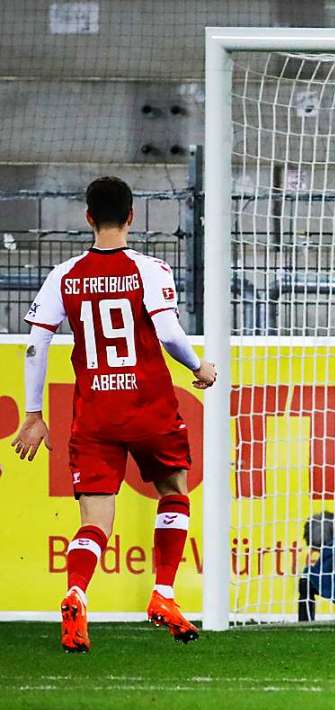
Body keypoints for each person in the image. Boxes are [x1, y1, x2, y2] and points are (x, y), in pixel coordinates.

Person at [10, 176, 217, 653]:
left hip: (95, 414)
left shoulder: (64, 275)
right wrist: (199, 366)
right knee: (173, 491)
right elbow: (167, 333)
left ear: (88, 217)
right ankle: (163, 593)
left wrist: (34, 413)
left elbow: (36, 344)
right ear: (131, 216)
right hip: (149, 409)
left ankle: (77, 592)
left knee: (94, 521)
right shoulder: (150, 269)